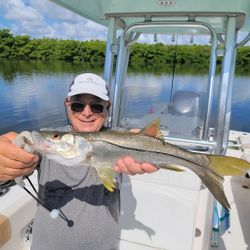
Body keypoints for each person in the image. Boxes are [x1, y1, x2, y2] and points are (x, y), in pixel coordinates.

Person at [0, 73, 158, 250]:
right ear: (67, 104)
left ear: (108, 106)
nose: (87, 112)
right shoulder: (50, 140)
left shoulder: (120, 137)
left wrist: (145, 144)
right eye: (78, 105)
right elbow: (15, 167)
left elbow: (141, 142)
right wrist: (6, 164)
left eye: (97, 106)